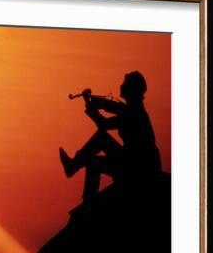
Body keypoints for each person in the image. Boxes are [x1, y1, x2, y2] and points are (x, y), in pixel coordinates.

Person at [59, 71, 162, 202]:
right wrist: (95, 103)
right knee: (98, 147)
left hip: (138, 167)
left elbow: (104, 124)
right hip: (135, 161)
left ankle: (84, 196)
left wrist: (90, 105)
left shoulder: (132, 112)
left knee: (98, 146)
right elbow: (114, 108)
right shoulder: (134, 109)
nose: (121, 86)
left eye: (125, 84)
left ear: (132, 89)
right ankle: (74, 168)